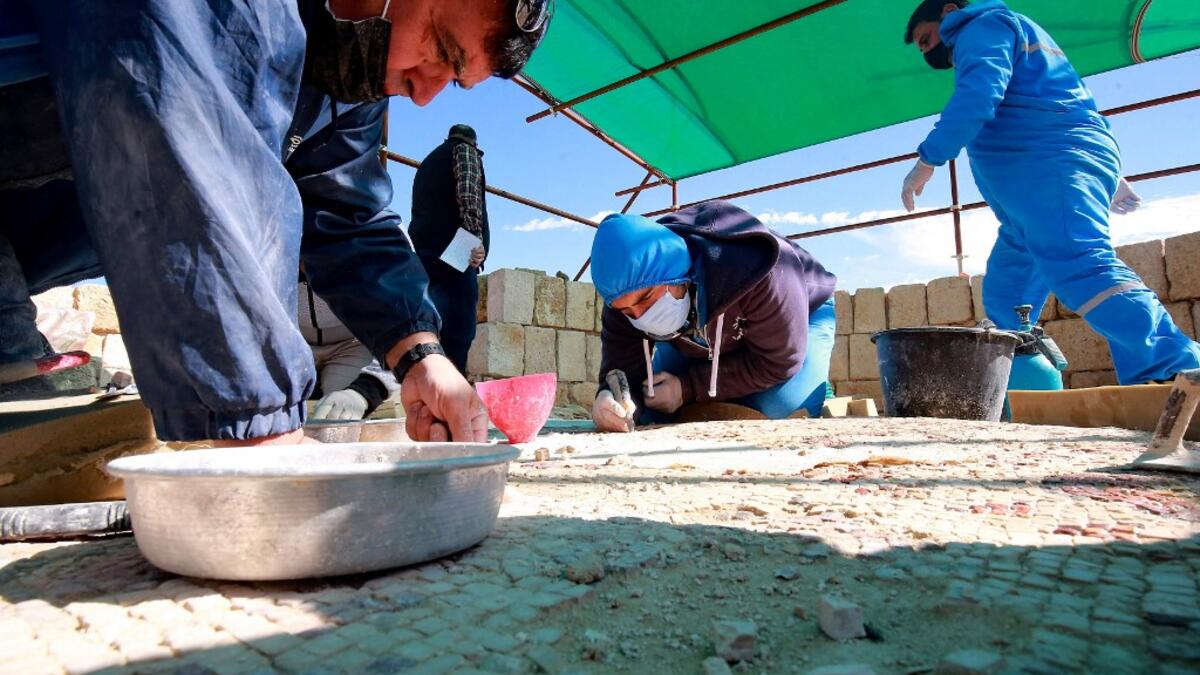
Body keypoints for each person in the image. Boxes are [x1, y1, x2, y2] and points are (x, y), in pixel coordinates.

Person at [0, 0, 554, 444]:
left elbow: (349, 213)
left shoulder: (342, 81)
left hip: (25, 245)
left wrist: (420, 356)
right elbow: (182, 146)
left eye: (453, 81)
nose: (426, 93)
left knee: (35, 437)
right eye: (441, 48)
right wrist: (258, 425)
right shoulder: (225, 15)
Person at [900, 0, 1200, 384]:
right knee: (1008, 293)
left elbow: (978, 95)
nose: (931, 52)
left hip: (1047, 166)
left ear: (949, 11)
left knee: (1079, 263)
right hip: (1037, 185)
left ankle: (1175, 371)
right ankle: (1016, 385)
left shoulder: (981, 27)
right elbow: (1066, 98)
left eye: (927, 40)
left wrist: (928, 160)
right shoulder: (1019, 33)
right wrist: (1111, 174)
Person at [589, 201, 838, 433]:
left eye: (646, 299)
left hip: (800, 313)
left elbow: (779, 361)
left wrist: (687, 388)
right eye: (627, 311)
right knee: (653, 406)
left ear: (677, 274)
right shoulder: (623, 292)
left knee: (782, 408)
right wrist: (608, 399)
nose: (641, 317)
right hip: (704, 334)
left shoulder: (759, 267)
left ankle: (817, 385)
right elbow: (622, 372)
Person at [408, 124, 490, 373]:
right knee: (458, 330)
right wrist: (475, 241)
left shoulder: (429, 161)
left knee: (428, 326)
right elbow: (469, 195)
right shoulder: (464, 151)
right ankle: (451, 394)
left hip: (423, 253)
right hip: (454, 253)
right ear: (473, 143)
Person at [299, 271, 398, 420]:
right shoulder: (263, 253)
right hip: (291, 343)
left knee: (340, 417)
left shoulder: (366, 249)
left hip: (353, 343)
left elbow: (405, 323)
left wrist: (366, 391)